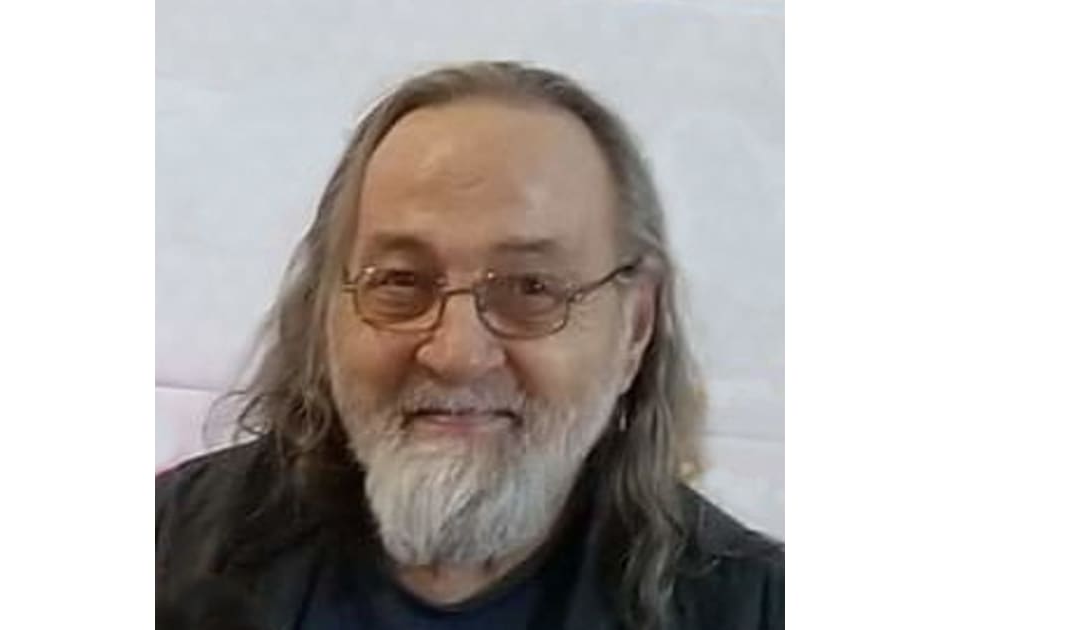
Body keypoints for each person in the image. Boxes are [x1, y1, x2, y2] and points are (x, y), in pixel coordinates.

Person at [156, 61, 783, 630]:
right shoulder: (164, 554)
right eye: (400, 282)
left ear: (635, 327)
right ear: (328, 310)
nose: (456, 354)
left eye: (532, 289)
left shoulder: (760, 609)